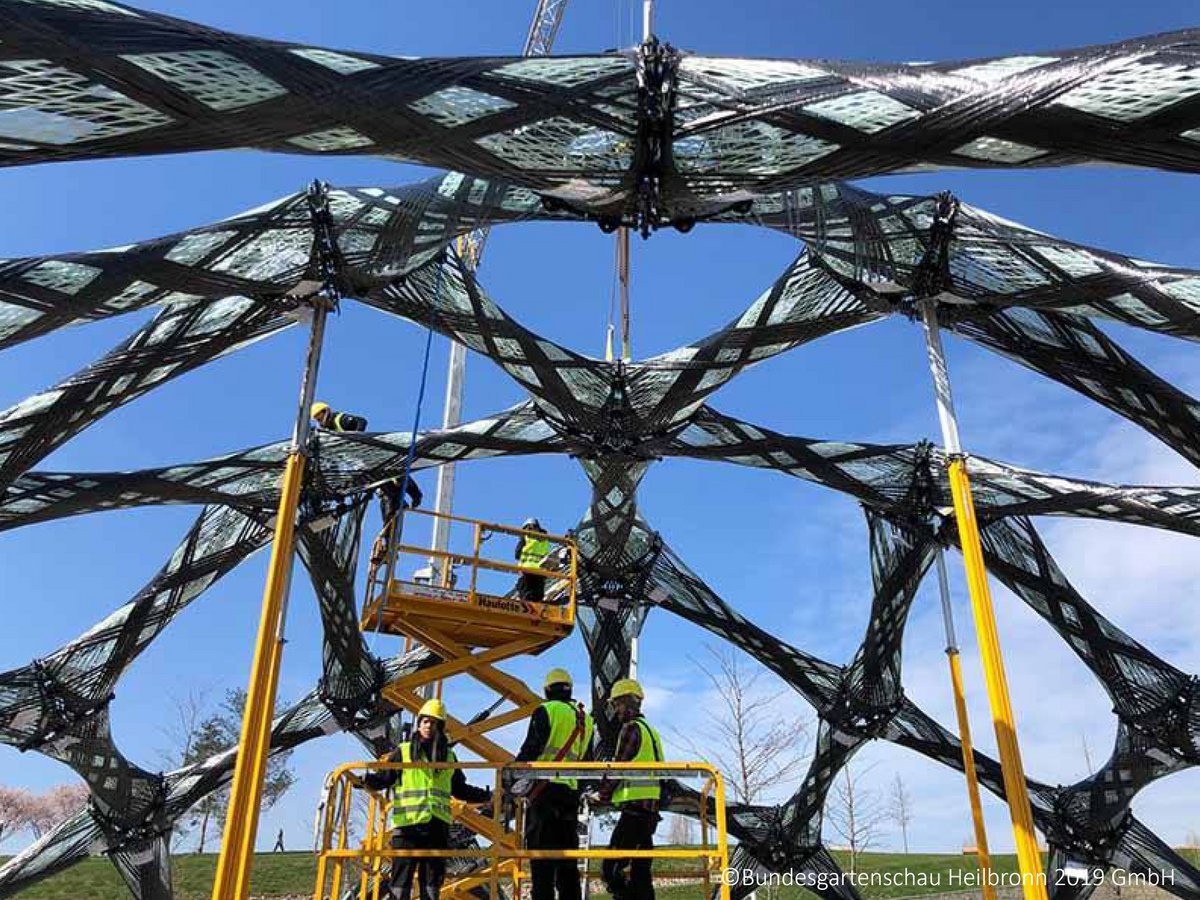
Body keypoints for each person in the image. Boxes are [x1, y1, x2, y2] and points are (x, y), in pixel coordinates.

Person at [362, 699, 491, 900]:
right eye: (425, 722)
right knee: (400, 885)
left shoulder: (448, 756)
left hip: (436, 829)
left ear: (440, 727)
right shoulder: (403, 752)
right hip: (407, 829)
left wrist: (486, 796)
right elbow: (385, 779)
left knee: (431, 886)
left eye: (434, 723)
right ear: (419, 723)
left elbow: (459, 788)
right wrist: (367, 780)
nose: (429, 726)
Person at [514, 668, 595, 900]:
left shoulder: (546, 710)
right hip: (569, 796)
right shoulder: (585, 719)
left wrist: (510, 775)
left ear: (548, 690)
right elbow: (587, 762)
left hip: (544, 795)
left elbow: (532, 748)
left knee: (542, 867)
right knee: (567, 866)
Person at [596, 679, 664, 900]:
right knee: (641, 873)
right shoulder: (652, 732)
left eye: (617, 705)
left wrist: (601, 794)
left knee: (611, 868)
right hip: (650, 813)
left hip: (635, 811)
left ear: (627, 704)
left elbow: (619, 768)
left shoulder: (631, 729)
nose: (615, 711)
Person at [515, 518, 551, 603]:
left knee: (526, 596)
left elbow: (517, 555)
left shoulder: (526, 538)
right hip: (541, 572)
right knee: (537, 596)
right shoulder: (545, 540)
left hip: (527, 571)